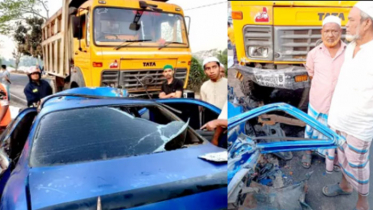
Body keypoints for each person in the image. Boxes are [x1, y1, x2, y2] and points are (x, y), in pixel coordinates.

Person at [322, 2, 373, 210]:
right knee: (341, 157)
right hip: (338, 118)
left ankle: (363, 202)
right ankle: (345, 186)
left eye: (351, 20)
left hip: (359, 125)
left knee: (358, 166)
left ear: (367, 23)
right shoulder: (351, 46)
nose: (347, 25)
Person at [301, 16, 346, 170]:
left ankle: (332, 157)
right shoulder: (314, 54)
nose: (330, 35)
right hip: (318, 101)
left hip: (339, 103)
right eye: (327, 31)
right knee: (312, 128)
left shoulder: (349, 53)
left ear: (341, 32)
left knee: (335, 130)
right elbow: (311, 75)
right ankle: (307, 152)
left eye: (334, 31)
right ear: (322, 32)